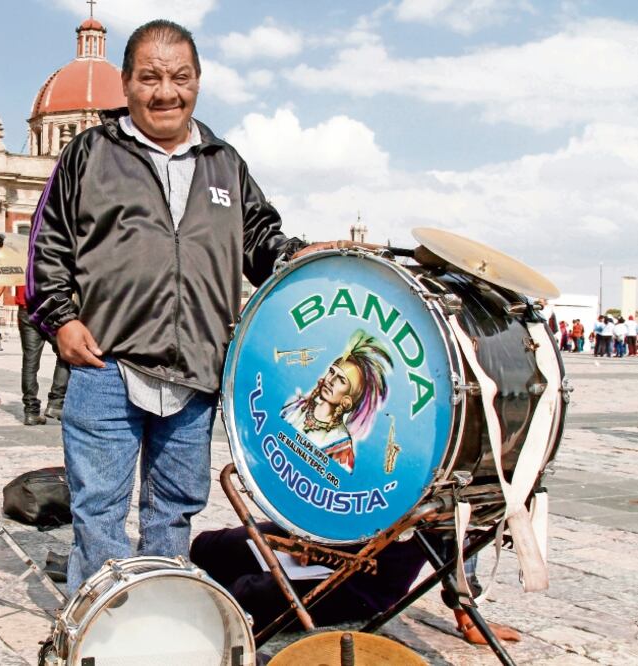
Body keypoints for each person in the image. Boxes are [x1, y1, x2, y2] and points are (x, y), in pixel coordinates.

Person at [27, 19, 343, 593]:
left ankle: (159, 615)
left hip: (197, 370)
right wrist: (60, 321)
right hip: (107, 365)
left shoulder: (224, 161)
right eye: (149, 77)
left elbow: (259, 240)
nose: (165, 91)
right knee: (98, 511)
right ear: (125, 84)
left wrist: (298, 255)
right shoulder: (89, 153)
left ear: (198, 82)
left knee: (173, 509)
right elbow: (45, 243)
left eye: (180, 77)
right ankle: (99, 629)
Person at [191, 522, 521, 648]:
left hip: (364, 579)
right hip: (313, 537)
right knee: (210, 547)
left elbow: (459, 529)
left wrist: (465, 611)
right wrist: (305, 531)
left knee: (243, 595)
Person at [279, 330, 393, 474]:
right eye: (332, 372)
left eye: (341, 380)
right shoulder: (296, 407)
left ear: (348, 400)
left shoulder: (341, 446)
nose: (331, 381)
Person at [15, 285, 69, 426]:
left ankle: (31, 412)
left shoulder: (20, 261)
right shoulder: (54, 261)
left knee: (29, 362)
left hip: (26, 309)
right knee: (66, 353)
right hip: (51, 307)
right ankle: (56, 404)